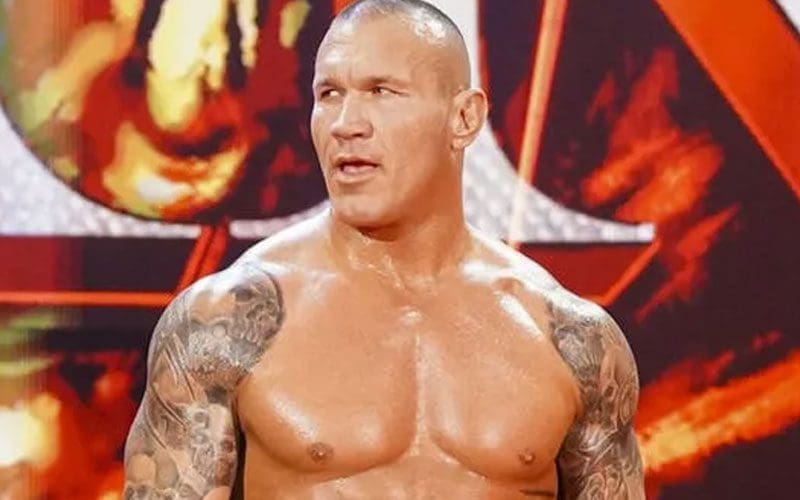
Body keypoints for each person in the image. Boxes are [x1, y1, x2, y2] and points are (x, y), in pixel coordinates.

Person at [122, 0, 645, 498]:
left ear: (464, 118)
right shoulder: (226, 323)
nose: (346, 123)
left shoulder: (572, 340)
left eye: (381, 91)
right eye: (329, 94)